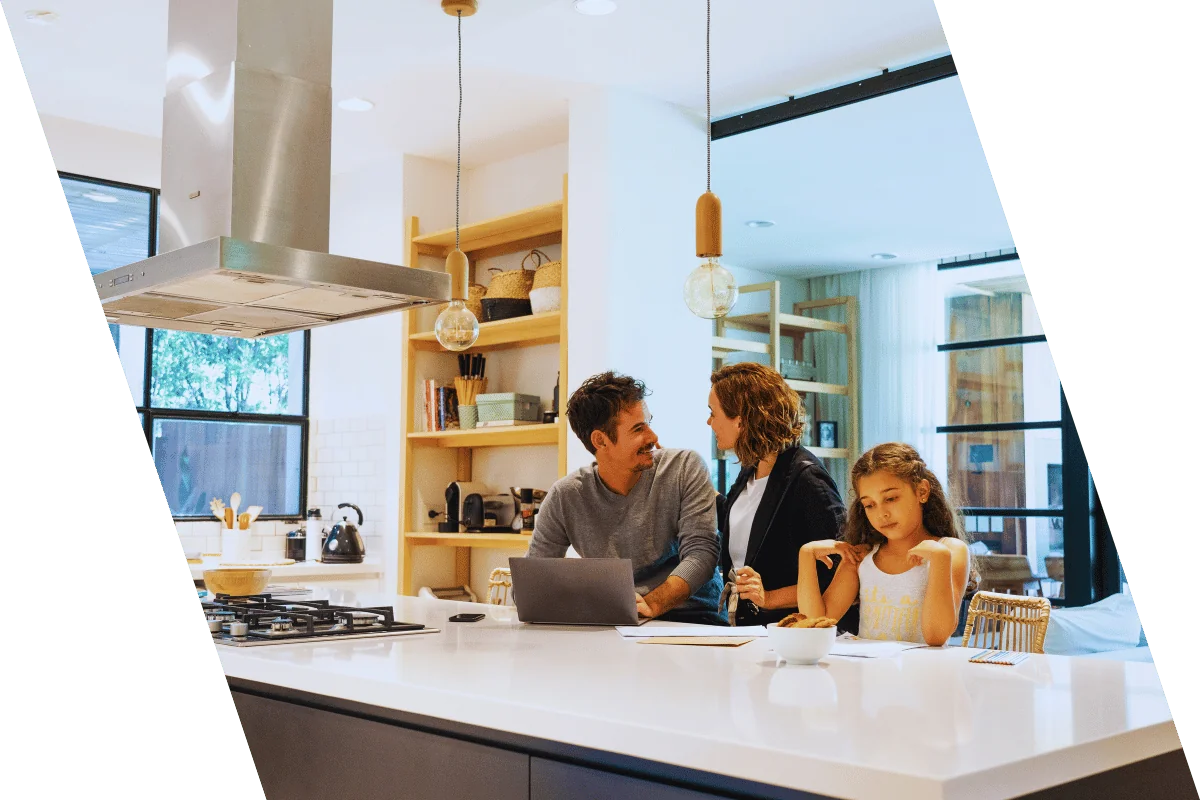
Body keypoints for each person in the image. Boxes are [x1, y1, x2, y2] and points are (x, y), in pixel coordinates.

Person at [527, 371, 725, 625]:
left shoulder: (684, 467)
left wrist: (653, 603)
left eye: (649, 423)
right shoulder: (566, 496)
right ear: (600, 440)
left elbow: (702, 553)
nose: (653, 438)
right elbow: (533, 582)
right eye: (638, 429)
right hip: (617, 624)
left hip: (693, 619)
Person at [708, 362, 854, 630]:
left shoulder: (807, 479)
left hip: (791, 633)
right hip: (750, 629)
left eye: (713, 413)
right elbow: (737, 523)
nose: (709, 422)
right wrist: (687, 477)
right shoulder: (751, 470)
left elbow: (840, 570)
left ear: (740, 419)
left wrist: (769, 598)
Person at [796, 443, 972, 647]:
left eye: (890, 498)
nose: (882, 513)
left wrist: (940, 559)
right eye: (870, 505)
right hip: (868, 675)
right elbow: (814, 626)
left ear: (922, 491)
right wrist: (806, 554)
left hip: (922, 676)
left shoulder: (950, 550)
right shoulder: (862, 557)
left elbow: (935, 637)